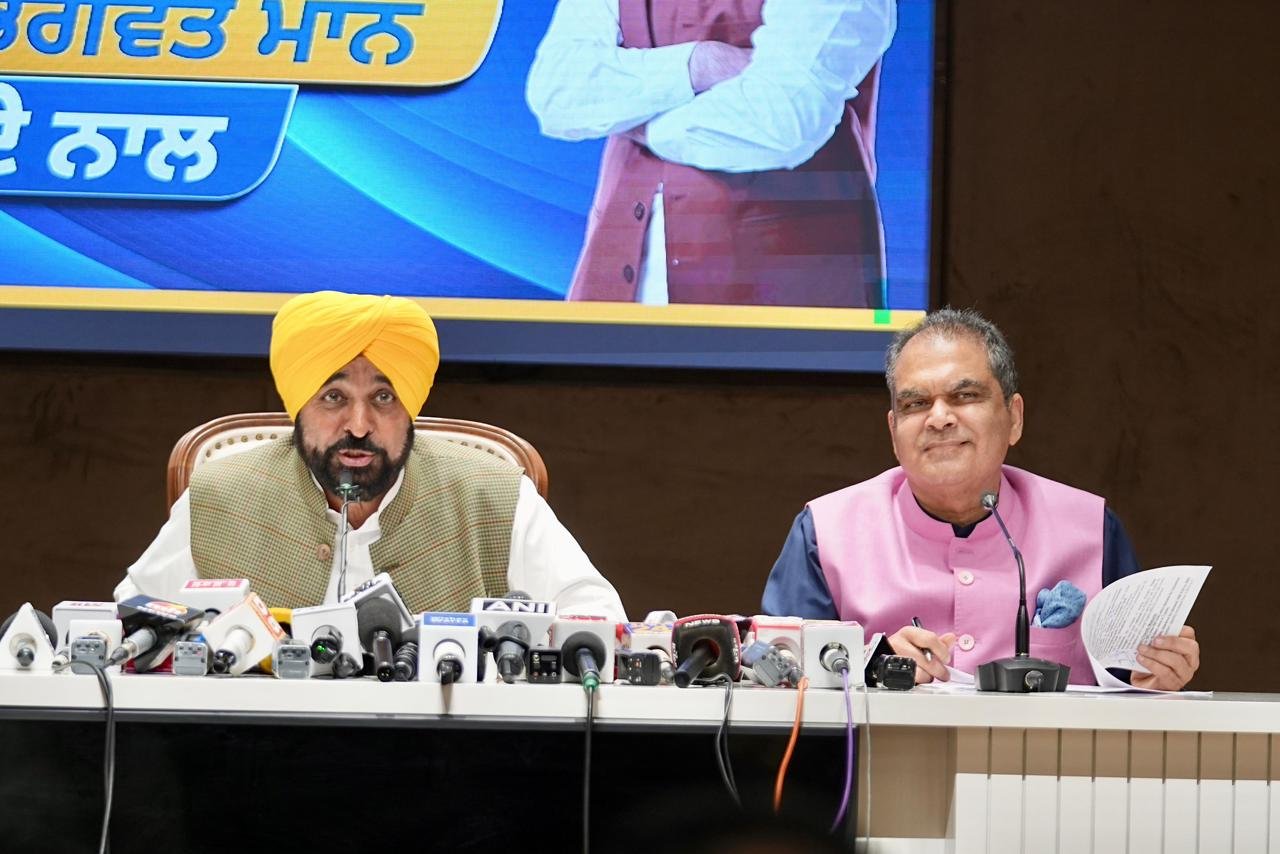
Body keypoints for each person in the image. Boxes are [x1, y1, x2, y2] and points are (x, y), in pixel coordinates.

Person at [116, 291, 627, 621]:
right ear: (299, 406)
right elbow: (132, 617)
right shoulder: (221, 494)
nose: (358, 425)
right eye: (333, 397)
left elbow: (596, 617)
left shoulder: (495, 494)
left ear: (410, 407)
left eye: (383, 397)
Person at [761, 308, 1200, 690]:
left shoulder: (1091, 528)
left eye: (965, 396)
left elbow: (1129, 680)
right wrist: (870, 665)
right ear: (894, 433)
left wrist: (1156, 678)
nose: (939, 418)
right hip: (876, 759)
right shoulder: (825, 531)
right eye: (916, 404)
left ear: (1014, 418)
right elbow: (775, 674)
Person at [526, 0, 895, 308]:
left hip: (784, 287)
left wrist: (641, 126)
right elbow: (555, 92)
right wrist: (698, 64)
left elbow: (782, 120)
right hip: (612, 283)